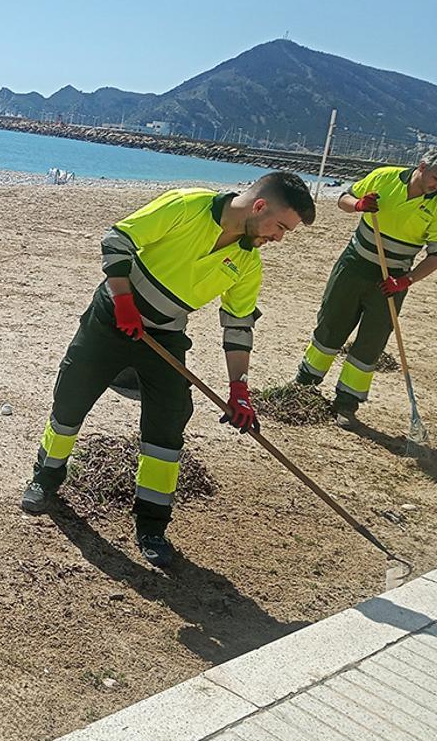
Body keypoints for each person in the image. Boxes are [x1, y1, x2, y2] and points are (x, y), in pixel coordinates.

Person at [21, 173, 316, 567]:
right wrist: (124, 303)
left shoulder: (247, 263)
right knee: (70, 401)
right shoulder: (186, 205)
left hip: (165, 337)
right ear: (260, 206)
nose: (279, 238)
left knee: (168, 424)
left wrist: (239, 388)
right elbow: (117, 240)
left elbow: (238, 325)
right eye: (280, 227)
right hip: (110, 320)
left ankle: (152, 526)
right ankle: (46, 478)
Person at [295, 144, 437, 421]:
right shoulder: (384, 178)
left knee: (371, 340)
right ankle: (305, 382)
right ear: (422, 166)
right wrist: (359, 205)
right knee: (331, 323)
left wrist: (406, 280)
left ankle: (347, 402)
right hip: (354, 265)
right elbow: (343, 199)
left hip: (392, 280)